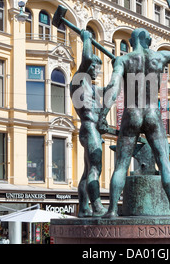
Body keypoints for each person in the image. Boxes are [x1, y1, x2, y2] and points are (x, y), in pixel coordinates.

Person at [98, 14, 170, 218]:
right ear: (149, 42)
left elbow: (112, 89)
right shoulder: (159, 57)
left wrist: (103, 115)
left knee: (121, 165)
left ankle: (113, 210)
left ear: (131, 43)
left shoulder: (123, 60)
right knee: (164, 162)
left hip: (131, 113)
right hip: (152, 113)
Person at [71, 30, 107, 218]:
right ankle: (97, 206)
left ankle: (84, 207)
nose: (95, 71)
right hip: (88, 127)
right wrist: (86, 38)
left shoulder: (91, 88)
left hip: (93, 128)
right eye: (94, 66)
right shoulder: (79, 79)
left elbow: (105, 102)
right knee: (95, 168)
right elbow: (85, 57)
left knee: (87, 171)